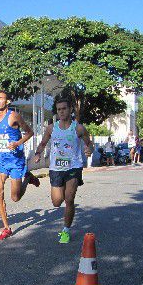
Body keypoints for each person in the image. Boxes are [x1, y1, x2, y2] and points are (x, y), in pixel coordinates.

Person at [33, 96, 92, 243]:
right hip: (56, 168)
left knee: (69, 199)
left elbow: (89, 143)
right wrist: (38, 153)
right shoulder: (51, 128)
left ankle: (66, 230)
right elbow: (43, 143)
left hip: (73, 167)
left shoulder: (78, 128)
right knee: (56, 202)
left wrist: (89, 150)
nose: (61, 112)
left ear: (70, 109)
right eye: (59, 109)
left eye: (64, 108)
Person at [0, 90, 40, 240]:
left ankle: (27, 178)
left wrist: (17, 143)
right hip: (1, 160)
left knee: (15, 197)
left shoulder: (14, 116)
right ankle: (6, 227)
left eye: (1, 98)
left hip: (15, 160)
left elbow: (29, 132)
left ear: (7, 101)